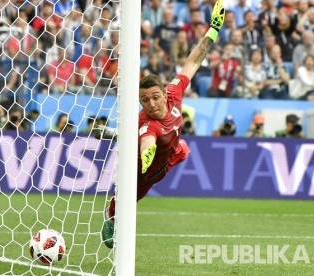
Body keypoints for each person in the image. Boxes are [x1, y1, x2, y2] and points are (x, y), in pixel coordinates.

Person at [96, 0, 225, 249]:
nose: (151, 104)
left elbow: (193, 61)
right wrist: (146, 153)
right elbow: (148, 140)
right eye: (144, 100)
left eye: (155, 97)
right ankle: (110, 219)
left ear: (164, 94)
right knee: (126, 200)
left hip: (170, 152)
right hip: (147, 167)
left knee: (182, 148)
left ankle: (118, 135)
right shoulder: (147, 123)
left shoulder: (173, 92)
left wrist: (213, 30)